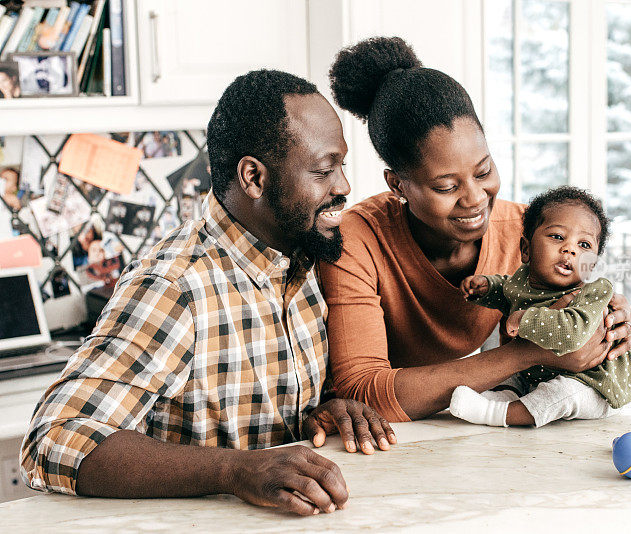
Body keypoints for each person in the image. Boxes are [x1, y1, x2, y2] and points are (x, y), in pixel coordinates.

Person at [21, 69, 396, 517]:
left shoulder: (300, 258)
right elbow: (54, 438)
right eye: (322, 171)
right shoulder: (176, 286)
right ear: (253, 178)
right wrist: (232, 470)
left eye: (342, 166)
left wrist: (324, 411)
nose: (343, 188)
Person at [319, 36, 631, 423]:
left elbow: (580, 286)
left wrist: (612, 320)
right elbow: (364, 392)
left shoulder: (526, 233)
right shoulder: (356, 240)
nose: (475, 199)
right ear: (398, 185)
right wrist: (531, 351)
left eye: (484, 171)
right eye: (446, 186)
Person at [449, 186, 631, 428]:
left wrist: (524, 319)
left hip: (592, 384)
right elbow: (506, 290)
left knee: (562, 392)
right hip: (537, 374)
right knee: (508, 372)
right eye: (557, 237)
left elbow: (572, 333)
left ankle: (496, 414)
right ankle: (505, 397)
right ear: (526, 249)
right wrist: (486, 288)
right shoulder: (522, 280)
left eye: (584, 245)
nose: (570, 249)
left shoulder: (595, 292)